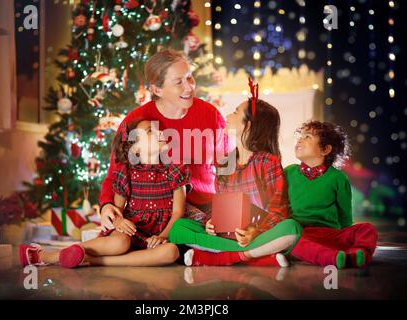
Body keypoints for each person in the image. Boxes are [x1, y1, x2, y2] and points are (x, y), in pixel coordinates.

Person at [20, 119, 189, 267]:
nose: (160, 132)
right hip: (131, 230)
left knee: (171, 252)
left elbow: (178, 212)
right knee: (120, 242)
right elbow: (118, 210)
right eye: (150, 131)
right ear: (135, 148)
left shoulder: (174, 170)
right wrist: (119, 221)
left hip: (158, 234)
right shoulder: (127, 172)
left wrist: (161, 237)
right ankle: (44, 256)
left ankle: (93, 260)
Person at [168, 80, 302, 267]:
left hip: (258, 234)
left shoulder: (267, 162)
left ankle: (221, 257)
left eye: (236, 112)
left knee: (292, 228)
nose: (228, 115)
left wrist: (256, 231)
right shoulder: (224, 163)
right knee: (178, 228)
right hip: (227, 236)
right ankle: (254, 256)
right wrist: (211, 223)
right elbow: (220, 208)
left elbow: (278, 211)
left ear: (248, 126)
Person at [99, 49, 228, 231]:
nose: (189, 87)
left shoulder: (211, 115)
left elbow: (229, 169)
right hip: (159, 215)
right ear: (156, 89)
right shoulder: (137, 122)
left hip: (206, 210)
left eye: (189, 77)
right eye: (178, 82)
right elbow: (115, 174)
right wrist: (106, 205)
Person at [287, 120, 378, 268]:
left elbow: (345, 216)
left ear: (325, 149)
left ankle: (357, 253)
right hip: (302, 234)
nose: (300, 140)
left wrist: (345, 237)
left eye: (307, 137)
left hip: (331, 235)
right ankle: (331, 257)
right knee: (291, 242)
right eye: (300, 136)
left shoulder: (338, 178)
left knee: (367, 229)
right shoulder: (289, 172)